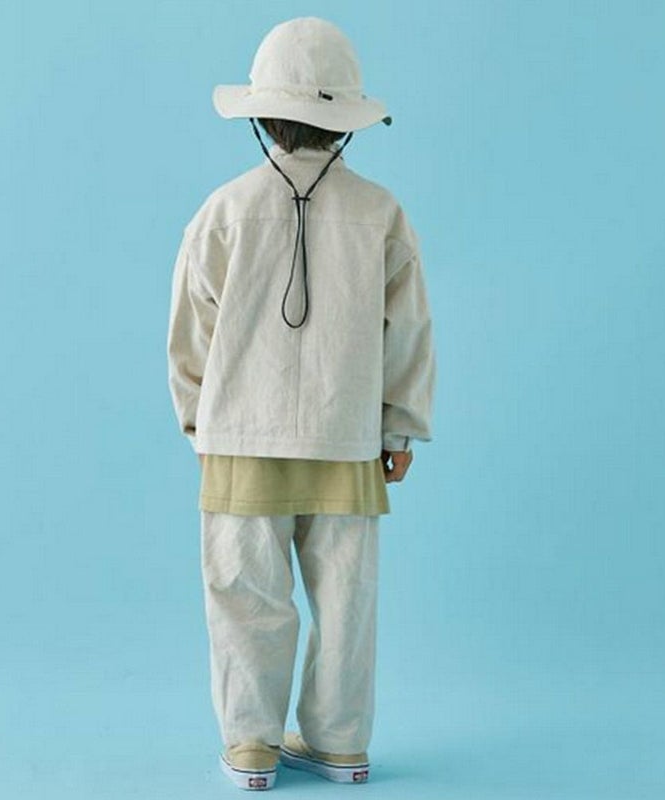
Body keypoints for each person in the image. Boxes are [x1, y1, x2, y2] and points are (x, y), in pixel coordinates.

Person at [166, 16, 436, 791]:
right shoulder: (382, 214)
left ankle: (252, 746)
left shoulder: (222, 211)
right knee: (346, 602)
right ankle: (340, 743)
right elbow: (408, 329)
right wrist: (399, 429)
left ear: (261, 117)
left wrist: (199, 423)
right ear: (345, 122)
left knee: (246, 598)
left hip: (241, 438)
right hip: (346, 436)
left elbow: (190, 334)